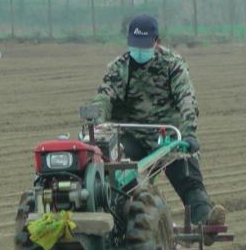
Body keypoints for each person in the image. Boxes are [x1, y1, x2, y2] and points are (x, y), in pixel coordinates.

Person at [90, 14, 226, 228]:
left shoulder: (173, 65)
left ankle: (205, 222)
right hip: (130, 134)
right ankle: (120, 219)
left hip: (166, 135)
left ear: (157, 42)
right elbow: (103, 98)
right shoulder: (118, 68)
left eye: (145, 46)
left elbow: (187, 99)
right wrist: (96, 126)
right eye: (135, 46)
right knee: (114, 176)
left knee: (188, 177)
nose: (139, 51)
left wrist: (189, 132)